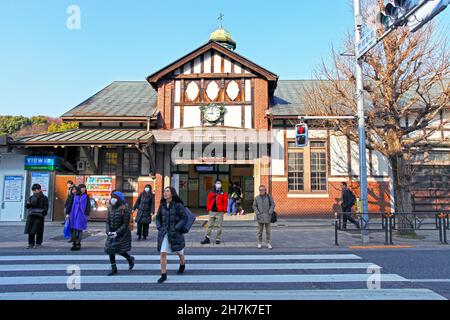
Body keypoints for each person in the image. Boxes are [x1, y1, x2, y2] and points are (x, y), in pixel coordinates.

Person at [155, 186, 188, 284]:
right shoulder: (162, 205)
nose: (165, 193)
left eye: (167, 191)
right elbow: (158, 218)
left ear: (172, 193)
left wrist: (177, 228)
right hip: (164, 232)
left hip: (175, 233)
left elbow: (184, 218)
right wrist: (159, 227)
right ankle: (163, 274)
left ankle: (182, 264)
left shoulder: (178, 205)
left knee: (179, 251)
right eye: (164, 191)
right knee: (163, 252)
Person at [104, 191, 135, 276]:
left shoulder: (124, 210)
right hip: (112, 231)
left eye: (115, 198)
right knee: (110, 249)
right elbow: (107, 222)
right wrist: (108, 231)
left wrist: (117, 233)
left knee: (120, 250)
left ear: (119, 199)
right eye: (112, 198)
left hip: (122, 233)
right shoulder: (110, 208)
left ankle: (130, 259)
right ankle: (114, 269)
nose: (113, 200)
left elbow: (125, 224)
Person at [201, 179, 228, 245]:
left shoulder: (223, 193)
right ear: (215, 184)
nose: (218, 184)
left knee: (219, 226)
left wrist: (224, 210)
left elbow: (225, 202)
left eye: (219, 183)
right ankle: (207, 238)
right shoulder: (212, 192)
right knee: (209, 225)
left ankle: (218, 239)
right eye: (217, 183)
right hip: (212, 211)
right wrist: (209, 208)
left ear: (221, 185)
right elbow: (208, 200)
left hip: (220, 212)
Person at [24, 184, 49, 249]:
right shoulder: (31, 197)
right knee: (30, 230)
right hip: (31, 215)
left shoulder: (44, 198)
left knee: (39, 230)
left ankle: (38, 243)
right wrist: (27, 204)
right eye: (33, 190)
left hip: (39, 216)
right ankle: (31, 243)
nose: (34, 192)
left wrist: (43, 212)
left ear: (39, 189)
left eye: (36, 190)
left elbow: (46, 207)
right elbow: (27, 206)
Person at [68, 184, 91, 251]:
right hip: (74, 214)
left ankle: (78, 243)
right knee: (74, 229)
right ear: (79, 189)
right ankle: (74, 243)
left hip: (82, 215)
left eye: (84, 188)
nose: (83, 189)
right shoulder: (74, 196)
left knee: (80, 229)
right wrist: (67, 213)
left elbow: (88, 206)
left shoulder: (86, 196)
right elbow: (70, 204)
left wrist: (87, 213)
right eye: (82, 188)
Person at [252, 185, 275, 249]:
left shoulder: (269, 197)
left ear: (265, 190)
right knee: (260, 231)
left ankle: (268, 243)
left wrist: (270, 212)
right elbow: (254, 206)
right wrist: (258, 213)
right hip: (260, 216)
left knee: (268, 231)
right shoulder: (257, 198)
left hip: (267, 216)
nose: (261, 191)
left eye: (262, 190)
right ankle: (259, 242)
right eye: (260, 190)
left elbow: (273, 204)